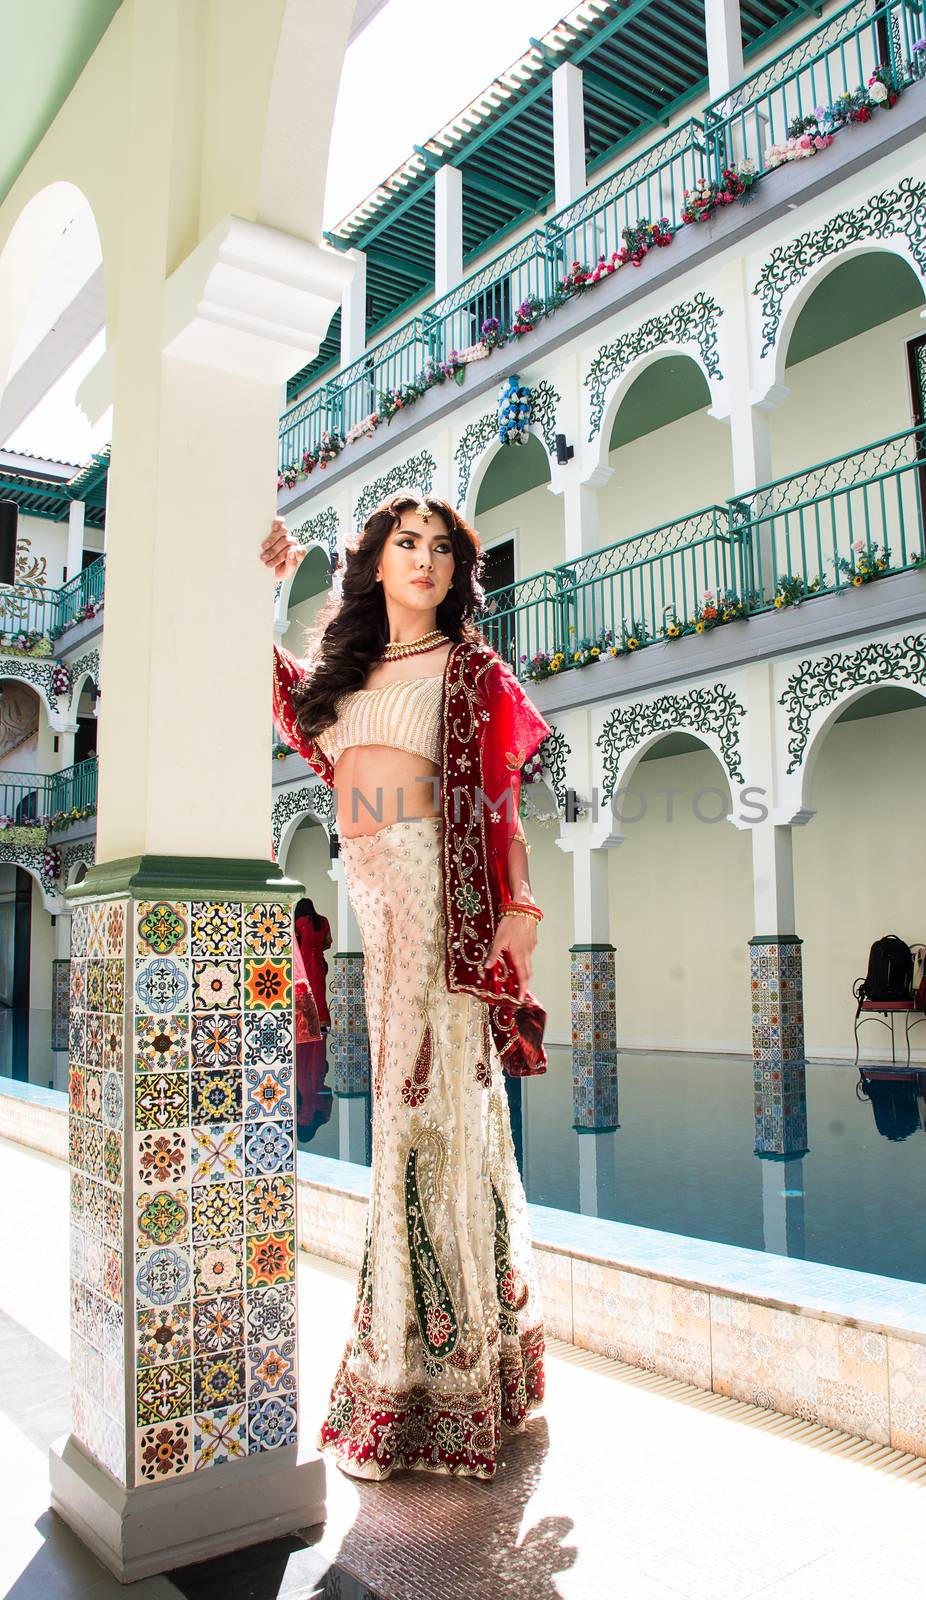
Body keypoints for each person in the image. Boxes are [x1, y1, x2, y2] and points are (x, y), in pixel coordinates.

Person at [262, 492, 551, 1482]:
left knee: (426, 1118)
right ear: (375, 562)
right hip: (374, 909)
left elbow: (498, 800)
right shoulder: (342, 683)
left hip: (439, 899)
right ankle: (442, 1366)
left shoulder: (468, 669)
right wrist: (254, 585)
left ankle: (433, 1379)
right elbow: (273, 690)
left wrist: (517, 907)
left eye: (440, 548)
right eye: (405, 542)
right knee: (408, 1124)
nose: (423, 559)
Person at [294, 897, 332, 1032]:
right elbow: (327, 942)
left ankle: (304, 1022)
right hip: (318, 963)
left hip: (302, 964)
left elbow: (294, 944)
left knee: (303, 993)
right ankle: (322, 1023)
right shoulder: (323, 921)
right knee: (319, 993)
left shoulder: (299, 923)